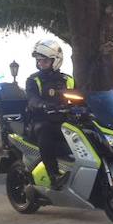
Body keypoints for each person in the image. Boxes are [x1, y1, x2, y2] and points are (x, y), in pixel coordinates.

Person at [25, 38, 75, 190]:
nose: (41, 63)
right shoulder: (34, 80)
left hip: (65, 120)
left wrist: (86, 106)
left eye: (45, 60)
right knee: (46, 131)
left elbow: (78, 97)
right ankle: (53, 175)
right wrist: (42, 104)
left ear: (56, 60)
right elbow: (32, 99)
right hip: (41, 120)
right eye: (39, 60)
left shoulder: (68, 80)